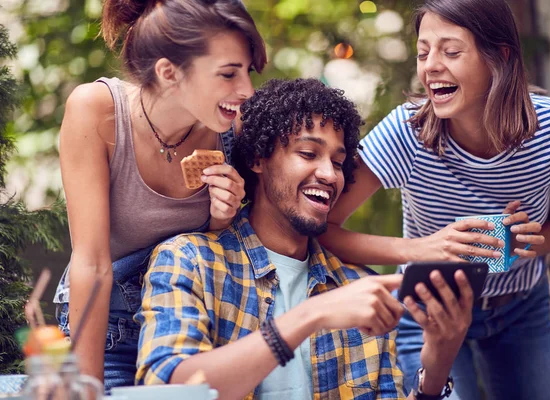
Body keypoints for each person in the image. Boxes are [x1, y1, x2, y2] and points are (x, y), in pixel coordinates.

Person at [319, 0, 550, 398]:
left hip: (519, 307)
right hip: (427, 308)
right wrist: (424, 248)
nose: (430, 65)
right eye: (423, 52)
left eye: (451, 51)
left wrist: (527, 243)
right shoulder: (407, 132)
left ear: (499, 56)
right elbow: (323, 228)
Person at [135, 78, 473, 399]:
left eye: (338, 162)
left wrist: (437, 365)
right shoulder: (190, 260)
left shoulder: (357, 286)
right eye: (308, 154)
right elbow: (168, 387)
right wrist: (311, 314)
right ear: (258, 158)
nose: (329, 174)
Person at [53, 0, 267, 390]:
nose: (247, 91)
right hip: (110, 328)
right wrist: (85, 387)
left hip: (192, 321)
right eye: (228, 74)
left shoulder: (231, 131)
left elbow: (226, 253)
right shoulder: (96, 112)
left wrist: (223, 219)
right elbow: (92, 263)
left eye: (248, 72)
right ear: (169, 72)